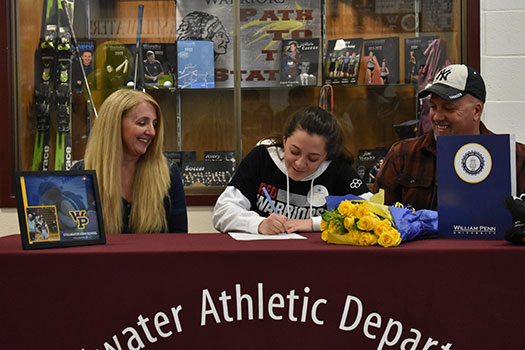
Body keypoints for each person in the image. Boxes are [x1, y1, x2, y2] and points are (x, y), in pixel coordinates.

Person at [373, 64, 525, 210]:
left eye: (449, 108)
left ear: (476, 111)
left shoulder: (514, 157)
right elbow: (375, 218)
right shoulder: (402, 155)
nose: (437, 117)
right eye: (433, 107)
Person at [213, 106, 372, 235]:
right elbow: (222, 211)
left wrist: (312, 224)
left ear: (326, 156)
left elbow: (374, 213)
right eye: (294, 152)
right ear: (284, 141)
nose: (300, 163)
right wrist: (259, 224)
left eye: (313, 158)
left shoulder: (337, 169)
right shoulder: (263, 158)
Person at [72, 89, 188, 233]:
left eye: (154, 124)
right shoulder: (80, 175)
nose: (152, 132)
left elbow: (179, 242)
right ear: (114, 125)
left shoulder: (169, 174)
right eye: (142, 123)